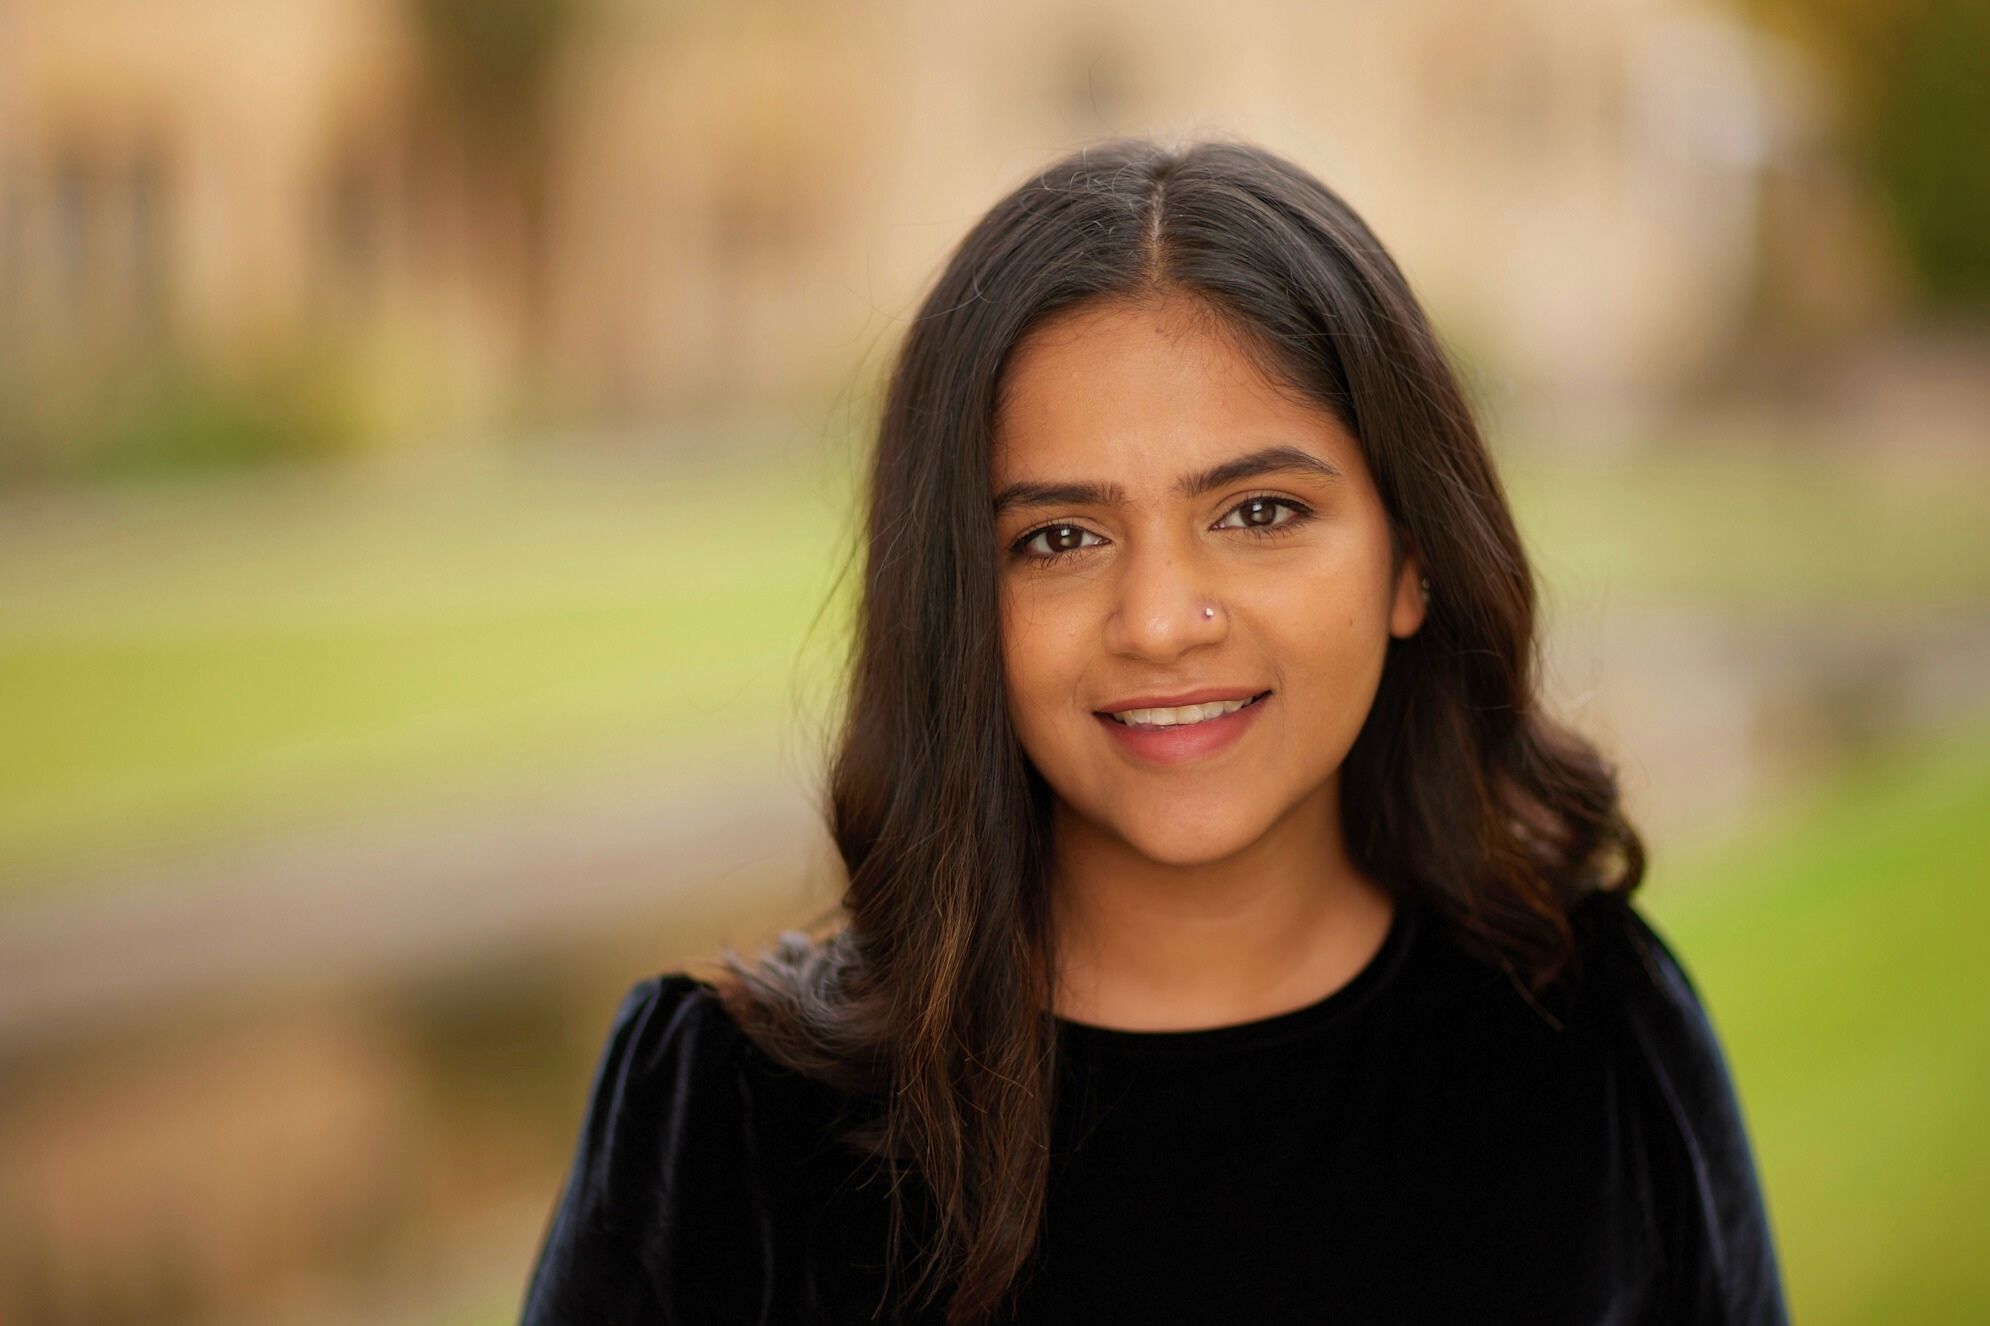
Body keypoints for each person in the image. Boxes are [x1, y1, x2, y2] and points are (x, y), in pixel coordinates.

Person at [518, 136, 1790, 1325]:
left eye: (1258, 512)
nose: (1161, 623)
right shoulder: (723, 1121)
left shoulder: (1593, 1037)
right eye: (1059, 539)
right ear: (963, 606)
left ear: (1412, 560)